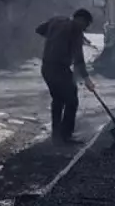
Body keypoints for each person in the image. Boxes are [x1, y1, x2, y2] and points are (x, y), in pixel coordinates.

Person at [37, 8, 96, 145]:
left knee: (58, 100)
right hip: (59, 69)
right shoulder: (76, 29)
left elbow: (39, 29)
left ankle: (56, 135)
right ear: (82, 20)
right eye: (86, 25)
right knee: (71, 100)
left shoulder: (56, 20)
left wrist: (54, 38)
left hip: (46, 68)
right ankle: (66, 135)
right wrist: (87, 80)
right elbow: (79, 58)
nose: (84, 28)